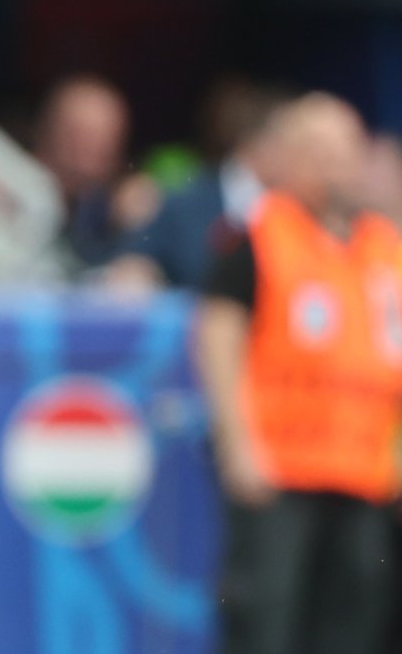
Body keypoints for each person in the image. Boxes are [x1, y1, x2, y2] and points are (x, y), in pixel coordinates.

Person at [193, 93, 401, 654]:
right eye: (319, 150)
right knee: (267, 624)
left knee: (356, 624)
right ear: (287, 158)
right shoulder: (258, 235)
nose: (335, 164)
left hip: (366, 476)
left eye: (345, 150)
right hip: (281, 472)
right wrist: (237, 443)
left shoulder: (385, 247)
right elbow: (217, 334)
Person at [102, 81, 290, 293]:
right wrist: (136, 274)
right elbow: (129, 266)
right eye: (296, 146)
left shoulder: (301, 217)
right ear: (260, 143)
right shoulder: (183, 201)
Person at [34, 75, 155, 272]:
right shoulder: (10, 192)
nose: (98, 149)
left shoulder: (112, 208)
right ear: (49, 132)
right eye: (83, 134)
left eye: (110, 137)